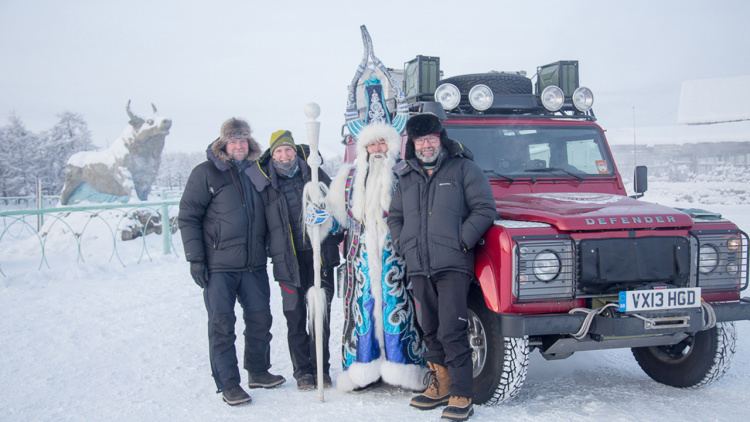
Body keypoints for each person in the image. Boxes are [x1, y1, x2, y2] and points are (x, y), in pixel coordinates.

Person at [387, 113, 496, 422]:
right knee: (429, 327)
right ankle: (441, 384)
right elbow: (395, 216)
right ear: (413, 144)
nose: (426, 146)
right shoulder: (406, 176)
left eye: (431, 139)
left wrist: (461, 241)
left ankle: (462, 392)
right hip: (419, 265)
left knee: (452, 328)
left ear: (441, 139)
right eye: (421, 141)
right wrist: (403, 242)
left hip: (452, 265)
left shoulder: (463, 169)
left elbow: (485, 209)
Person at [178, 118, 285, 406]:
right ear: (224, 143)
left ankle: (258, 370)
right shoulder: (206, 173)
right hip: (219, 266)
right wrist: (196, 258)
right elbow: (188, 217)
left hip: (253, 263)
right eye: (233, 140)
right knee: (222, 324)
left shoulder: (257, 171)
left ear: (249, 143)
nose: (239, 145)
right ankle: (228, 383)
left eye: (243, 140)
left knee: (261, 318)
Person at [326, 122, 427, 392]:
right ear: (364, 148)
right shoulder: (348, 178)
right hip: (360, 255)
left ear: (391, 145)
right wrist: (321, 217)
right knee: (364, 310)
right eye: (371, 144)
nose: (377, 149)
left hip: (397, 253)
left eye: (381, 143)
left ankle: (403, 366)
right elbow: (338, 221)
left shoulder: (405, 173)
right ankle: (363, 367)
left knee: (399, 306)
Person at [247, 130, 341, 391]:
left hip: (319, 255)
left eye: (288, 150)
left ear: (294, 151)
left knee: (320, 313)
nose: (284, 155)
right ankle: (303, 371)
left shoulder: (314, 174)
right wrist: (268, 249)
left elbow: (335, 205)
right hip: (287, 260)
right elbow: (259, 224)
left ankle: (321, 367)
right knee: (295, 316)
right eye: (279, 151)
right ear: (272, 155)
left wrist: (329, 222)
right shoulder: (265, 185)